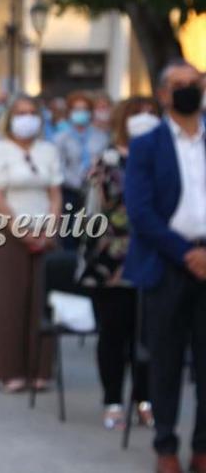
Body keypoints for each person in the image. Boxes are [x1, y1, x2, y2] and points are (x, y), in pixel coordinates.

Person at [125, 61, 206, 473]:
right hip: (166, 263)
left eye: (195, 83)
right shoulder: (147, 145)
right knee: (166, 361)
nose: (189, 90)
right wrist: (187, 253)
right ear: (163, 94)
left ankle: (203, 447)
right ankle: (166, 445)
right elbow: (140, 211)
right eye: (179, 85)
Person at [79, 97, 160, 430]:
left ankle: (145, 399)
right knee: (114, 332)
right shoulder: (107, 160)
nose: (146, 119)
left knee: (150, 334)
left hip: (155, 254)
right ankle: (112, 400)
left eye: (152, 114)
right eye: (139, 114)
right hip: (112, 258)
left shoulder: (165, 157)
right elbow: (93, 211)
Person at [0, 95, 63, 393]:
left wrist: (51, 227)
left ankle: (40, 369)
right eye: (20, 113)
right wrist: (22, 231)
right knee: (9, 301)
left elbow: (55, 192)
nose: (26, 118)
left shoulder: (48, 150)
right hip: (7, 231)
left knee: (44, 301)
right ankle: (10, 369)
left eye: (32, 113)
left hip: (45, 229)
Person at [54, 91, 109, 249]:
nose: (81, 113)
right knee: (69, 233)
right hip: (70, 191)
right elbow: (58, 166)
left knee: (93, 233)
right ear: (69, 112)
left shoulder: (101, 137)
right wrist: (76, 182)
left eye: (84, 109)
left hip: (94, 191)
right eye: (77, 109)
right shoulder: (61, 138)